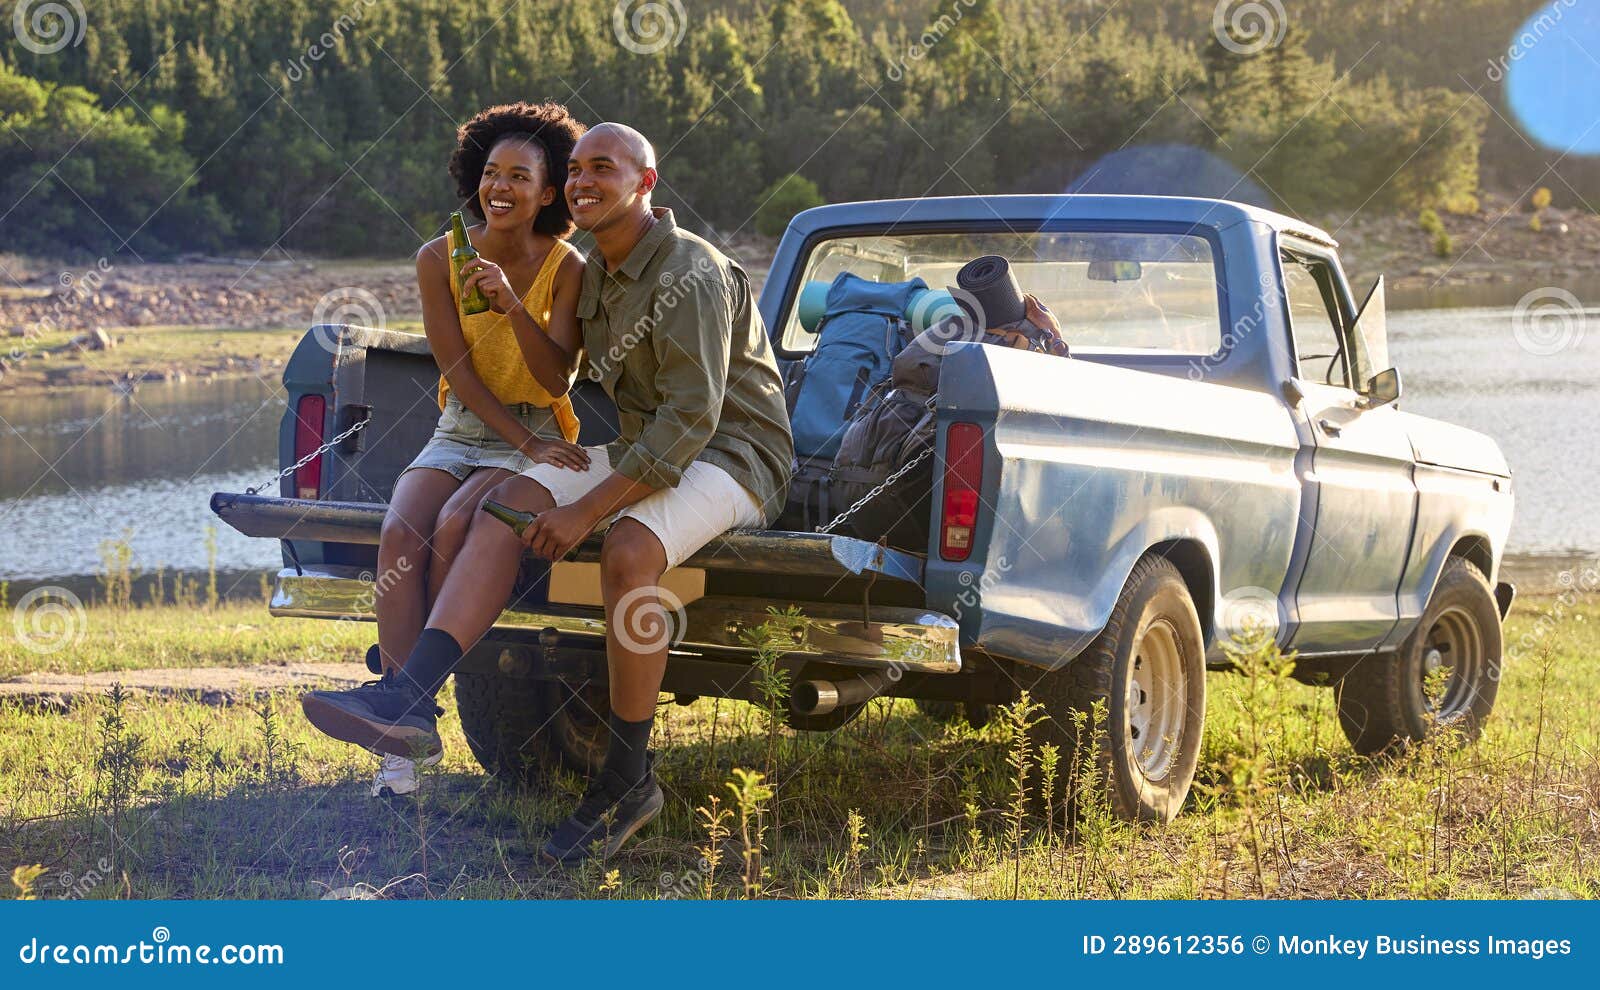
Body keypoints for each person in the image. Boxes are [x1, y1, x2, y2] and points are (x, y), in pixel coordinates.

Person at [301, 122, 795, 864]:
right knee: (507, 508)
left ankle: (628, 780)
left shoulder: (689, 269)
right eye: (576, 170)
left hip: (736, 452)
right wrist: (510, 317)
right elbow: (565, 375)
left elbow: (693, 418)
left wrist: (588, 508)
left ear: (646, 181)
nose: (584, 180)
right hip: (648, 445)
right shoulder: (596, 268)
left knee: (628, 549)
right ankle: (408, 698)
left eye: (605, 167)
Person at [365, 102, 590, 797]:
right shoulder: (441, 256)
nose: (502, 187)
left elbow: (558, 377)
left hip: (541, 427)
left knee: (460, 522)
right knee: (402, 529)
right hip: (463, 423)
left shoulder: (566, 265)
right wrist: (511, 436)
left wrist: (510, 306)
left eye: (520, 177)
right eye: (492, 173)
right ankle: (404, 739)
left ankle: (412, 695)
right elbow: (456, 368)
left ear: (548, 192)